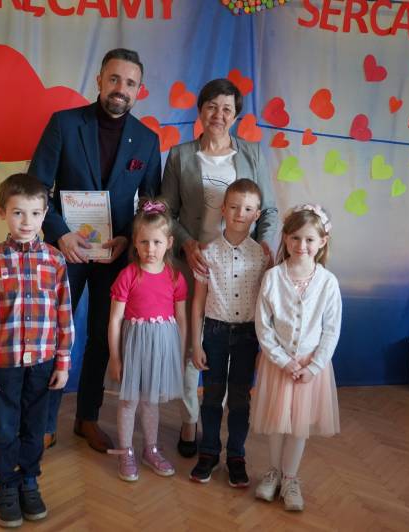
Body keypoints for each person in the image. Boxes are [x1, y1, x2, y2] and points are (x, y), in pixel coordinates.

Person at [28, 48, 162, 452]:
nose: (121, 88)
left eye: (130, 83)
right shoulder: (64, 124)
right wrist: (60, 233)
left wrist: (130, 238)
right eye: (114, 79)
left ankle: (86, 417)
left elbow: (151, 205)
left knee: (104, 336)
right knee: (55, 334)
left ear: (139, 90)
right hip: (64, 252)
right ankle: (44, 422)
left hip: (115, 255)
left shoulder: (148, 141)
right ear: (100, 80)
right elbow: (37, 188)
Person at [160, 78, 278, 457]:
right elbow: (166, 212)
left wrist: (265, 244)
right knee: (192, 345)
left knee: (231, 347)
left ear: (236, 116)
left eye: (227, 109)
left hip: (241, 268)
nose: (218, 114)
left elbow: (269, 211)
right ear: (200, 110)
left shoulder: (252, 154)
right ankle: (190, 420)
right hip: (193, 261)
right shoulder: (180, 155)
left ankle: (222, 426)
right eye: (211, 106)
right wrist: (186, 243)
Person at [0, 174, 74, 527]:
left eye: (35, 213)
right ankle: (6, 485)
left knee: (35, 428)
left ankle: (29, 480)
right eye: (17, 213)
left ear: (45, 215)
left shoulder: (55, 261)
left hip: (43, 363)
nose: (27, 222)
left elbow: (64, 315)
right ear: (1, 212)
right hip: (4, 364)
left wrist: (63, 362)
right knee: (6, 428)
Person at [251, 204, 342, 512]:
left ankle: (290, 478)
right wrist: (282, 360)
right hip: (278, 366)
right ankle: (273, 472)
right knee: (277, 423)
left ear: (322, 242)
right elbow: (263, 326)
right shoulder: (273, 277)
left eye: (309, 239)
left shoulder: (328, 283)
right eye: (295, 238)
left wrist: (313, 366)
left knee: (298, 426)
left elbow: (331, 330)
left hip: (309, 368)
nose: (302, 245)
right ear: (285, 239)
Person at [187, 179, 270, 487]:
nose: (239, 214)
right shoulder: (207, 253)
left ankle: (236, 454)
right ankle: (208, 451)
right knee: (211, 396)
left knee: (239, 398)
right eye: (234, 207)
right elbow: (198, 302)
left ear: (257, 214)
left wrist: (265, 348)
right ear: (223, 209)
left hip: (248, 335)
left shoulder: (262, 256)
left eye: (247, 209)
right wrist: (196, 343)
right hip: (215, 332)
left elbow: (266, 305)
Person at [106, 199, 186, 481]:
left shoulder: (175, 277)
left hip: (162, 348)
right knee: (129, 401)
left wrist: (180, 353)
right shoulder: (128, 276)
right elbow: (115, 319)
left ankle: (150, 449)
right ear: (135, 244)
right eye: (144, 242)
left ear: (169, 243)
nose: (150, 249)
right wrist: (115, 358)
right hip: (134, 347)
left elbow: (181, 318)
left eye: (157, 242)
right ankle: (125, 451)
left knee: (151, 401)